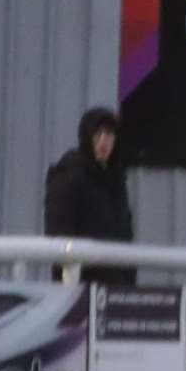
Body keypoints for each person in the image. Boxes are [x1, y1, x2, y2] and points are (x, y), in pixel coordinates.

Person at [43, 107, 135, 284]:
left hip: (116, 288)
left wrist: (127, 279)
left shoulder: (116, 180)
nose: (103, 141)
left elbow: (124, 233)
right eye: (97, 134)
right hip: (77, 288)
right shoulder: (68, 175)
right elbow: (59, 235)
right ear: (87, 136)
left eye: (109, 134)